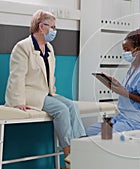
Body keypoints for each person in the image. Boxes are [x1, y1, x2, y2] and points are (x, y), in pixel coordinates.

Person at [4, 9, 86, 167]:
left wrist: (51, 91)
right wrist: (17, 101)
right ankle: (69, 156)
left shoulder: (49, 48)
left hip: (46, 93)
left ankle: (81, 148)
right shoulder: (22, 47)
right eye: (53, 27)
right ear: (41, 27)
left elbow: (49, 76)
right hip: (29, 94)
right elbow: (17, 77)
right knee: (61, 110)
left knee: (72, 106)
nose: (55, 31)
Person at [86, 28, 140, 136]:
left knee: (102, 138)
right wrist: (117, 85)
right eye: (124, 49)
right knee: (90, 131)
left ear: (137, 50)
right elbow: (130, 91)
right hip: (123, 118)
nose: (124, 53)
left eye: (127, 50)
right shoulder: (133, 69)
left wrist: (125, 93)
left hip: (138, 122)